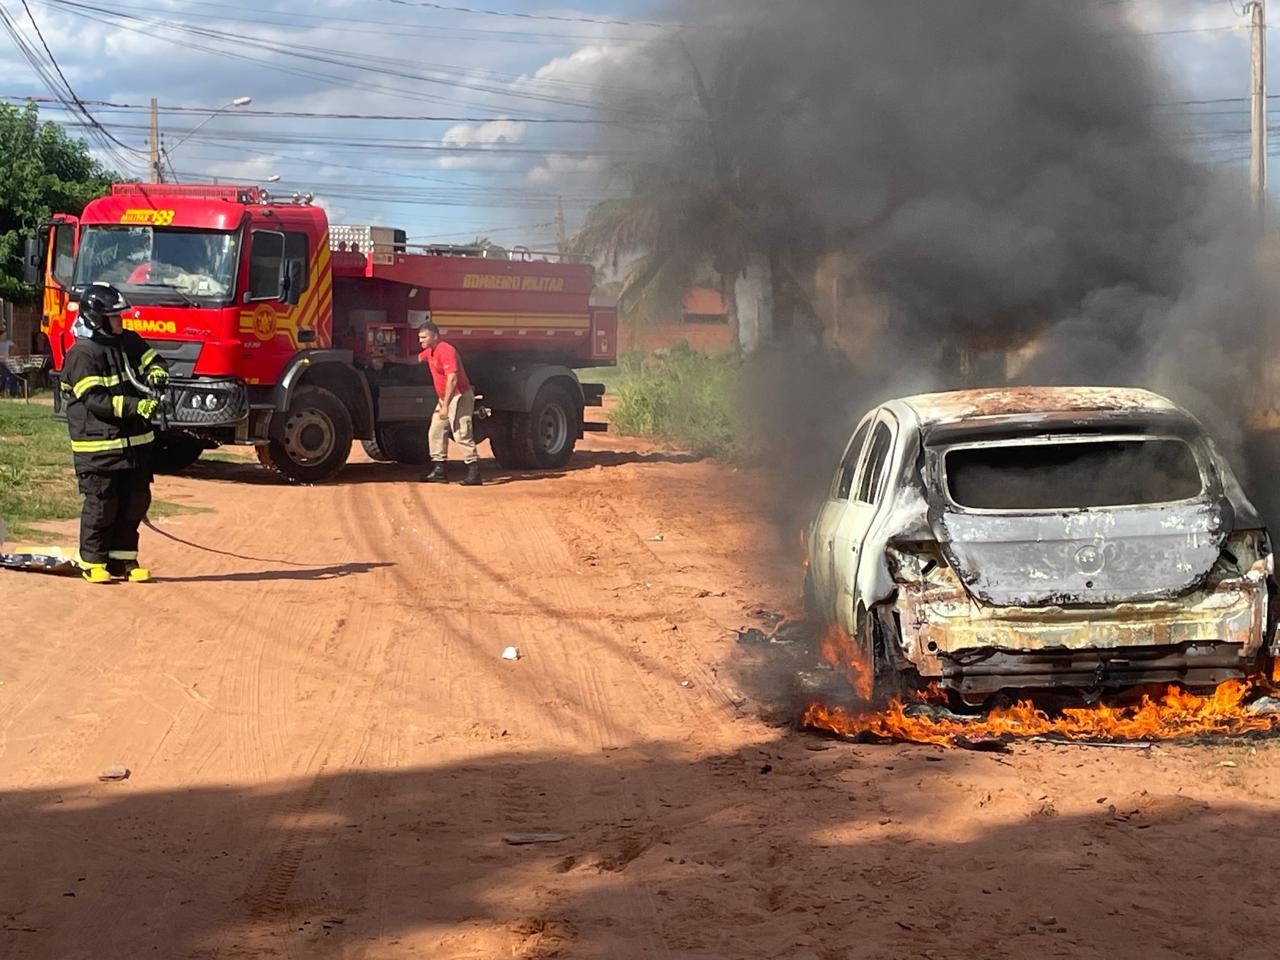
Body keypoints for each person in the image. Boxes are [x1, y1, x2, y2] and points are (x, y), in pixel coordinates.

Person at [61, 284, 170, 583]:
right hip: (98, 448)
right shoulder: (82, 354)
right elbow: (95, 400)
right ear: (97, 319)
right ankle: (92, 561)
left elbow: (151, 359)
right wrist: (137, 407)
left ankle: (123, 561)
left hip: (134, 447)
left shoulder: (126, 342)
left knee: (134, 501)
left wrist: (157, 371)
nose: (120, 322)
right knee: (102, 505)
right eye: (114, 317)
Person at [417, 321, 481, 486]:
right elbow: (414, 359)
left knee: (461, 432)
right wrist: (391, 358)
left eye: (424, 337)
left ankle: (474, 472)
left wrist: (445, 405)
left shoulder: (446, 350)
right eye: (420, 337)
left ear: (435, 336)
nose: (420, 340)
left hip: (458, 396)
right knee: (436, 430)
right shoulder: (429, 352)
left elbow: (452, 379)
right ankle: (439, 471)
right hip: (445, 398)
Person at [0, 326, 19, 396]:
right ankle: (2, 390)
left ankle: (13, 392)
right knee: (5, 376)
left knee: (13, 376)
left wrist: (11, 354)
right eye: (3, 335)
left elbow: (15, 346)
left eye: (6, 335)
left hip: (7, 361)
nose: (5, 337)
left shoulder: (8, 342)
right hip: (1, 362)